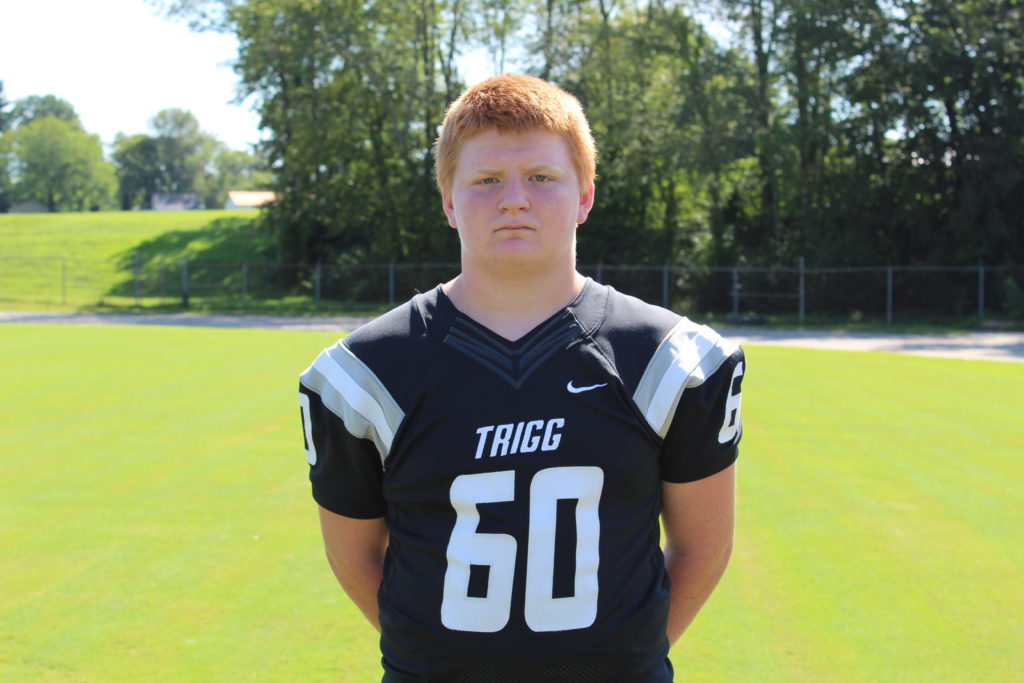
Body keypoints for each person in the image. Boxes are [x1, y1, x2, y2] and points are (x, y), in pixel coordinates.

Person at [298, 74, 745, 682]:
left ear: (584, 196)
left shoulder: (672, 360)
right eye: (486, 180)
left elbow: (702, 548)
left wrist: (626, 660)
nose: (514, 199)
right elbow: (354, 556)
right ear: (449, 202)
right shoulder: (363, 374)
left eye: (541, 177)